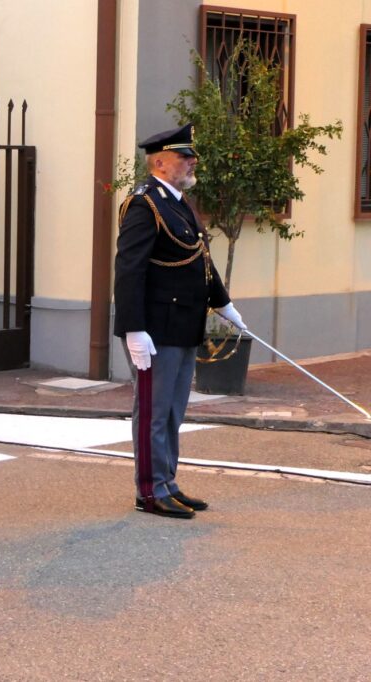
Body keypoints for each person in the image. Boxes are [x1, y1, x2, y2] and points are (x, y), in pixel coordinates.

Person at [113, 123, 247, 519]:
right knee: (153, 411)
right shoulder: (144, 204)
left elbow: (199, 258)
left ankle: (167, 481)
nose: (192, 162)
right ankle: (150, 492)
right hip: (154, 329)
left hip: (183, 323)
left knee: (172, 410)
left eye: (191, 156)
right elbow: (129, 270)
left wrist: (224, 304)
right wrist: (134, 328)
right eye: (184, 156)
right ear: (159, 161)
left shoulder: (178, 201)